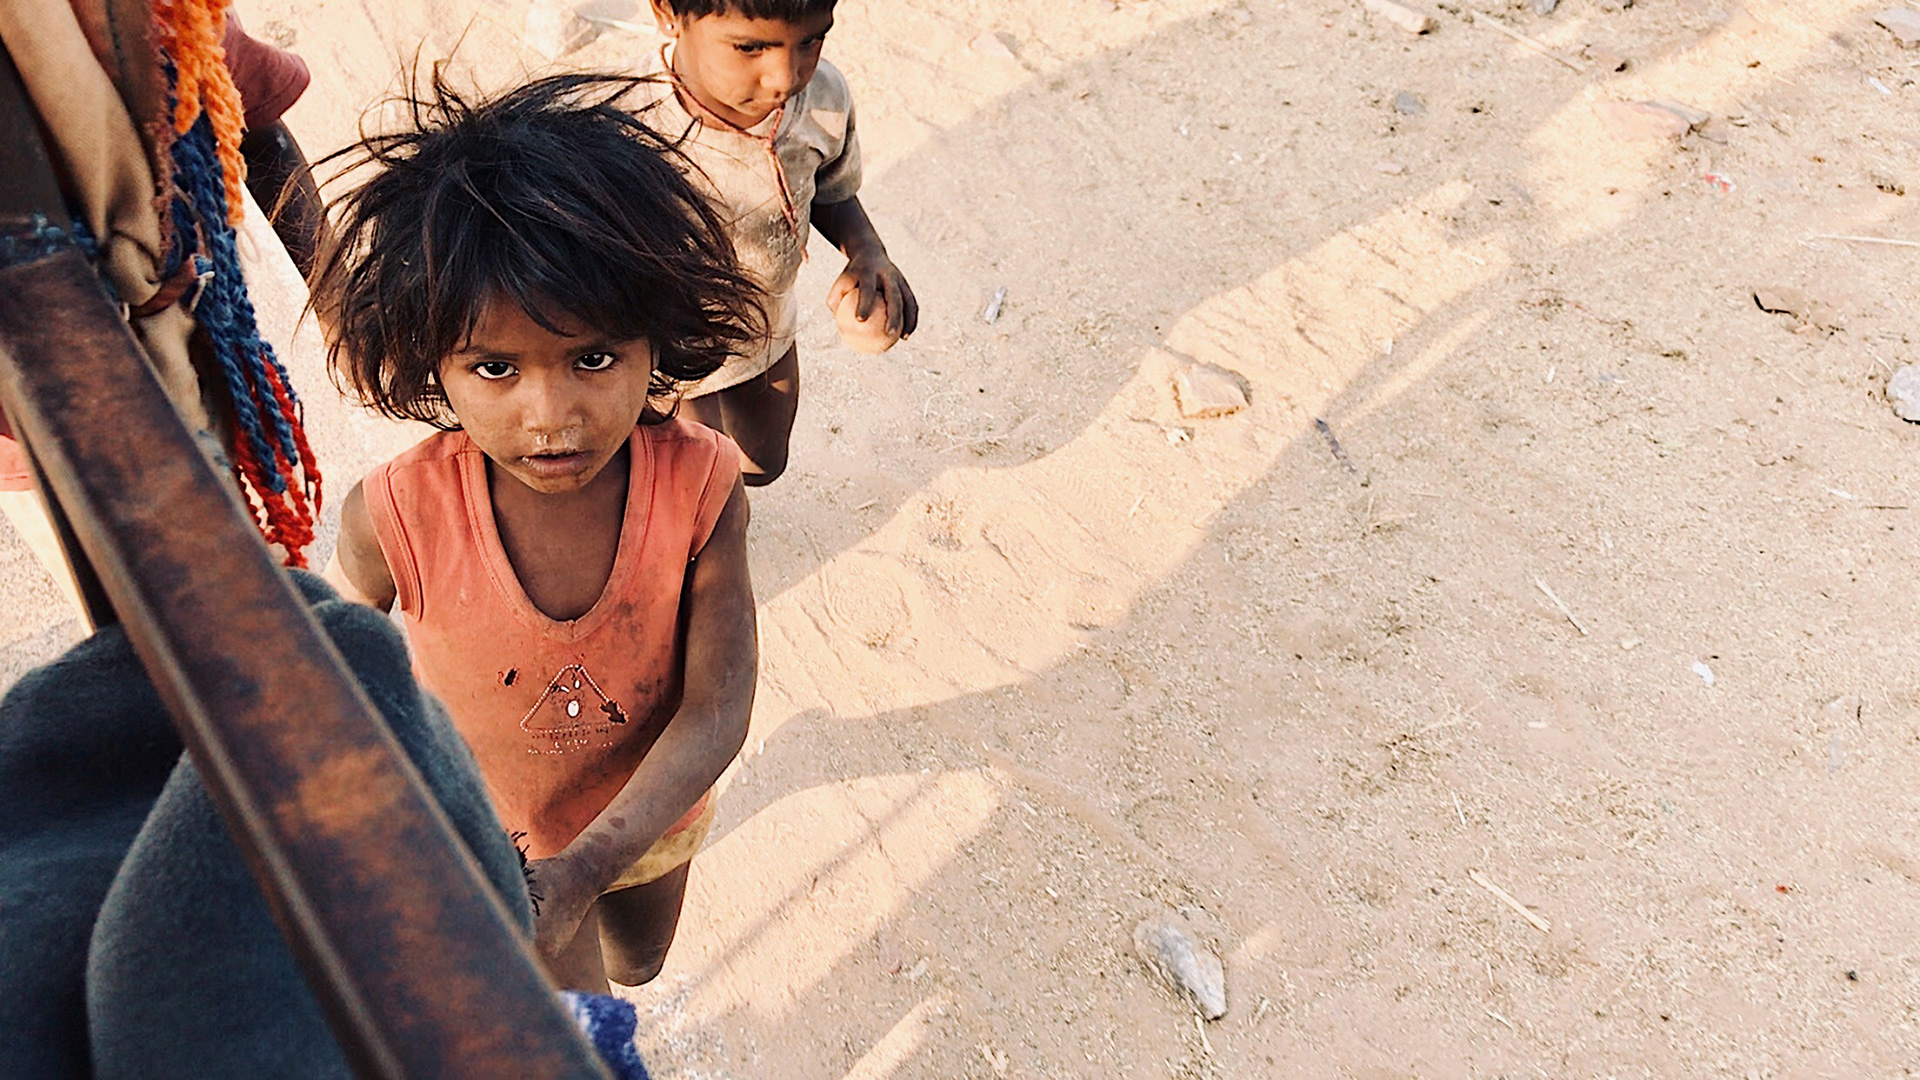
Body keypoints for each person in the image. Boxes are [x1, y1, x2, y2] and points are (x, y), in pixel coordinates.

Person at [312, 72, 763, 991]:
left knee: (638, 962)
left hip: (646, 823)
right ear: (432, 357)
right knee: (567, 1003)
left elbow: (716, 707)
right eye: (494, 367)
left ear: (654, 342)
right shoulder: (394, 517)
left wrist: (593, 862)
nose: (551, 416)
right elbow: (328, 665)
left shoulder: (701, 490)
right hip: (486, 843)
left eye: (594, 358)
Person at [640, 0, 918, 485]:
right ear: (668, 12)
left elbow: (829, 187)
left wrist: (867, 250)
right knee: (697, 484)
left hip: (763, 325)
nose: (786, 77)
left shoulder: (822, 99)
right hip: (668, 346)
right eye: (750, 47)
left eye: (810, 41)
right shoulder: (630, 124)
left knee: (764, 464)